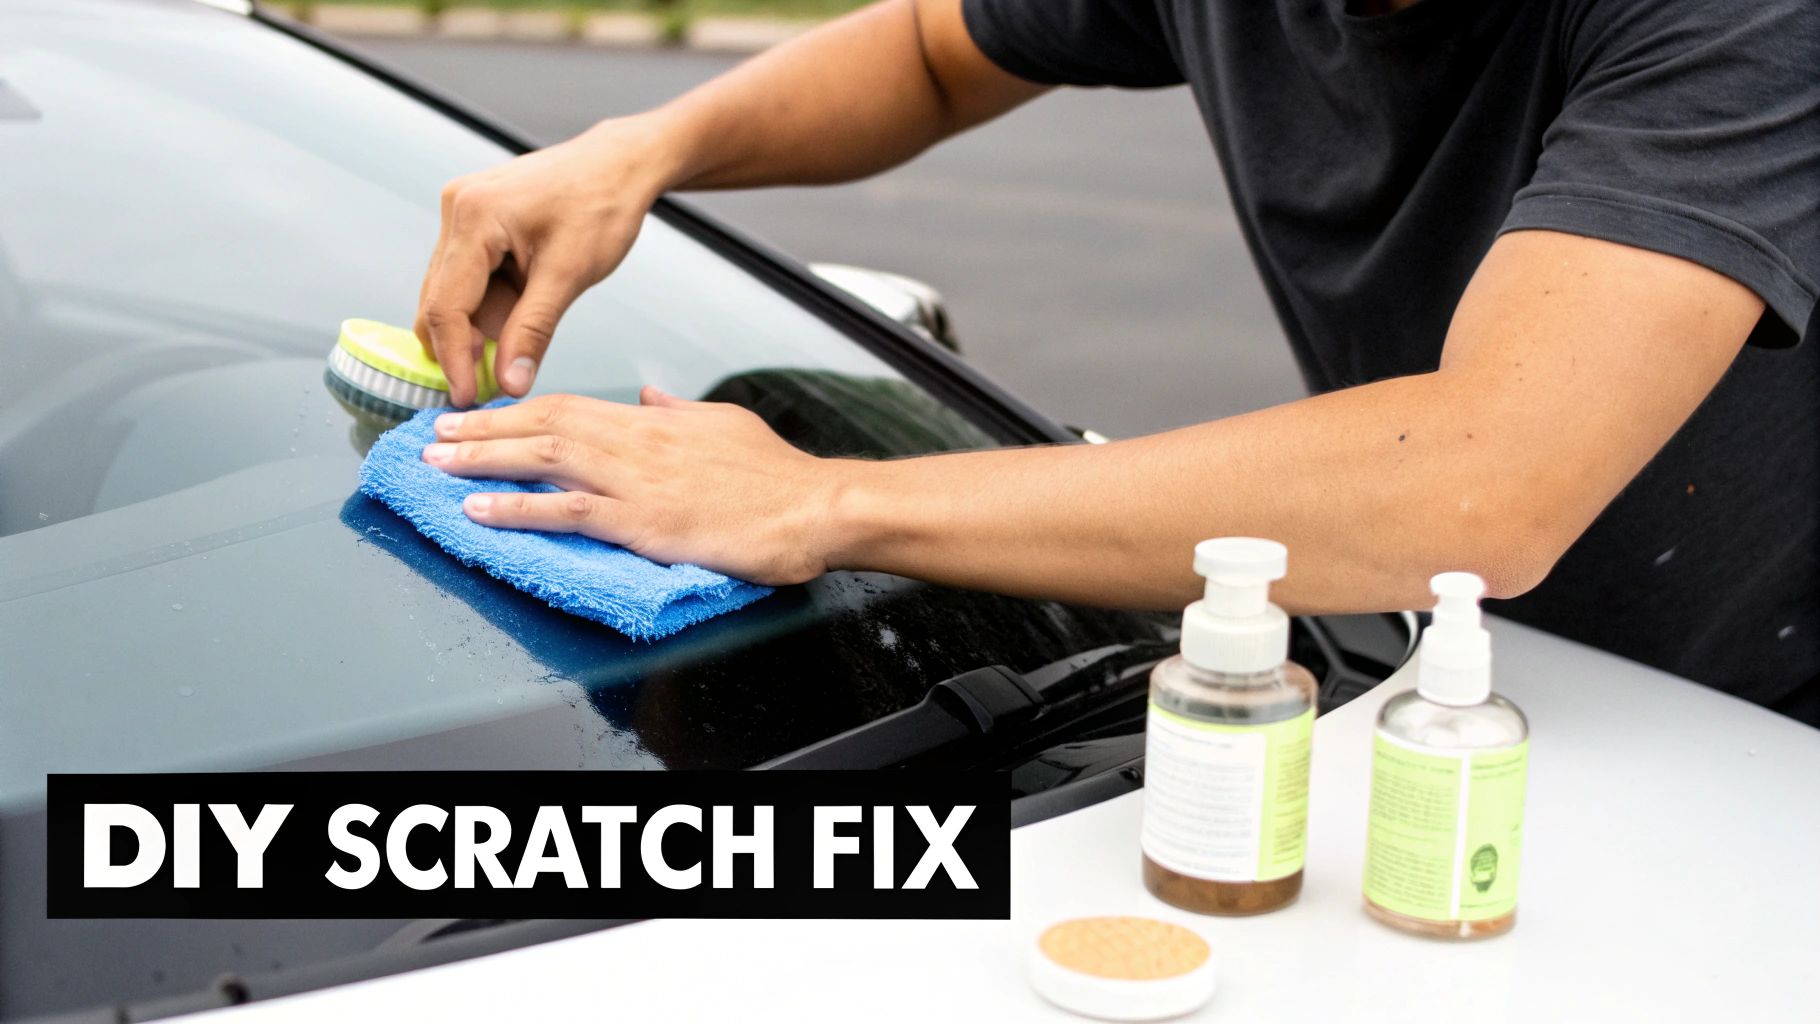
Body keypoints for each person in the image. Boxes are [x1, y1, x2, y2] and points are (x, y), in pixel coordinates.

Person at [411, 0, 1819, 723]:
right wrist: (646, 150)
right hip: (1454, 671)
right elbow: (934, 51)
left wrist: (819, 501)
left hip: (1768, 723)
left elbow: (1485, 478)